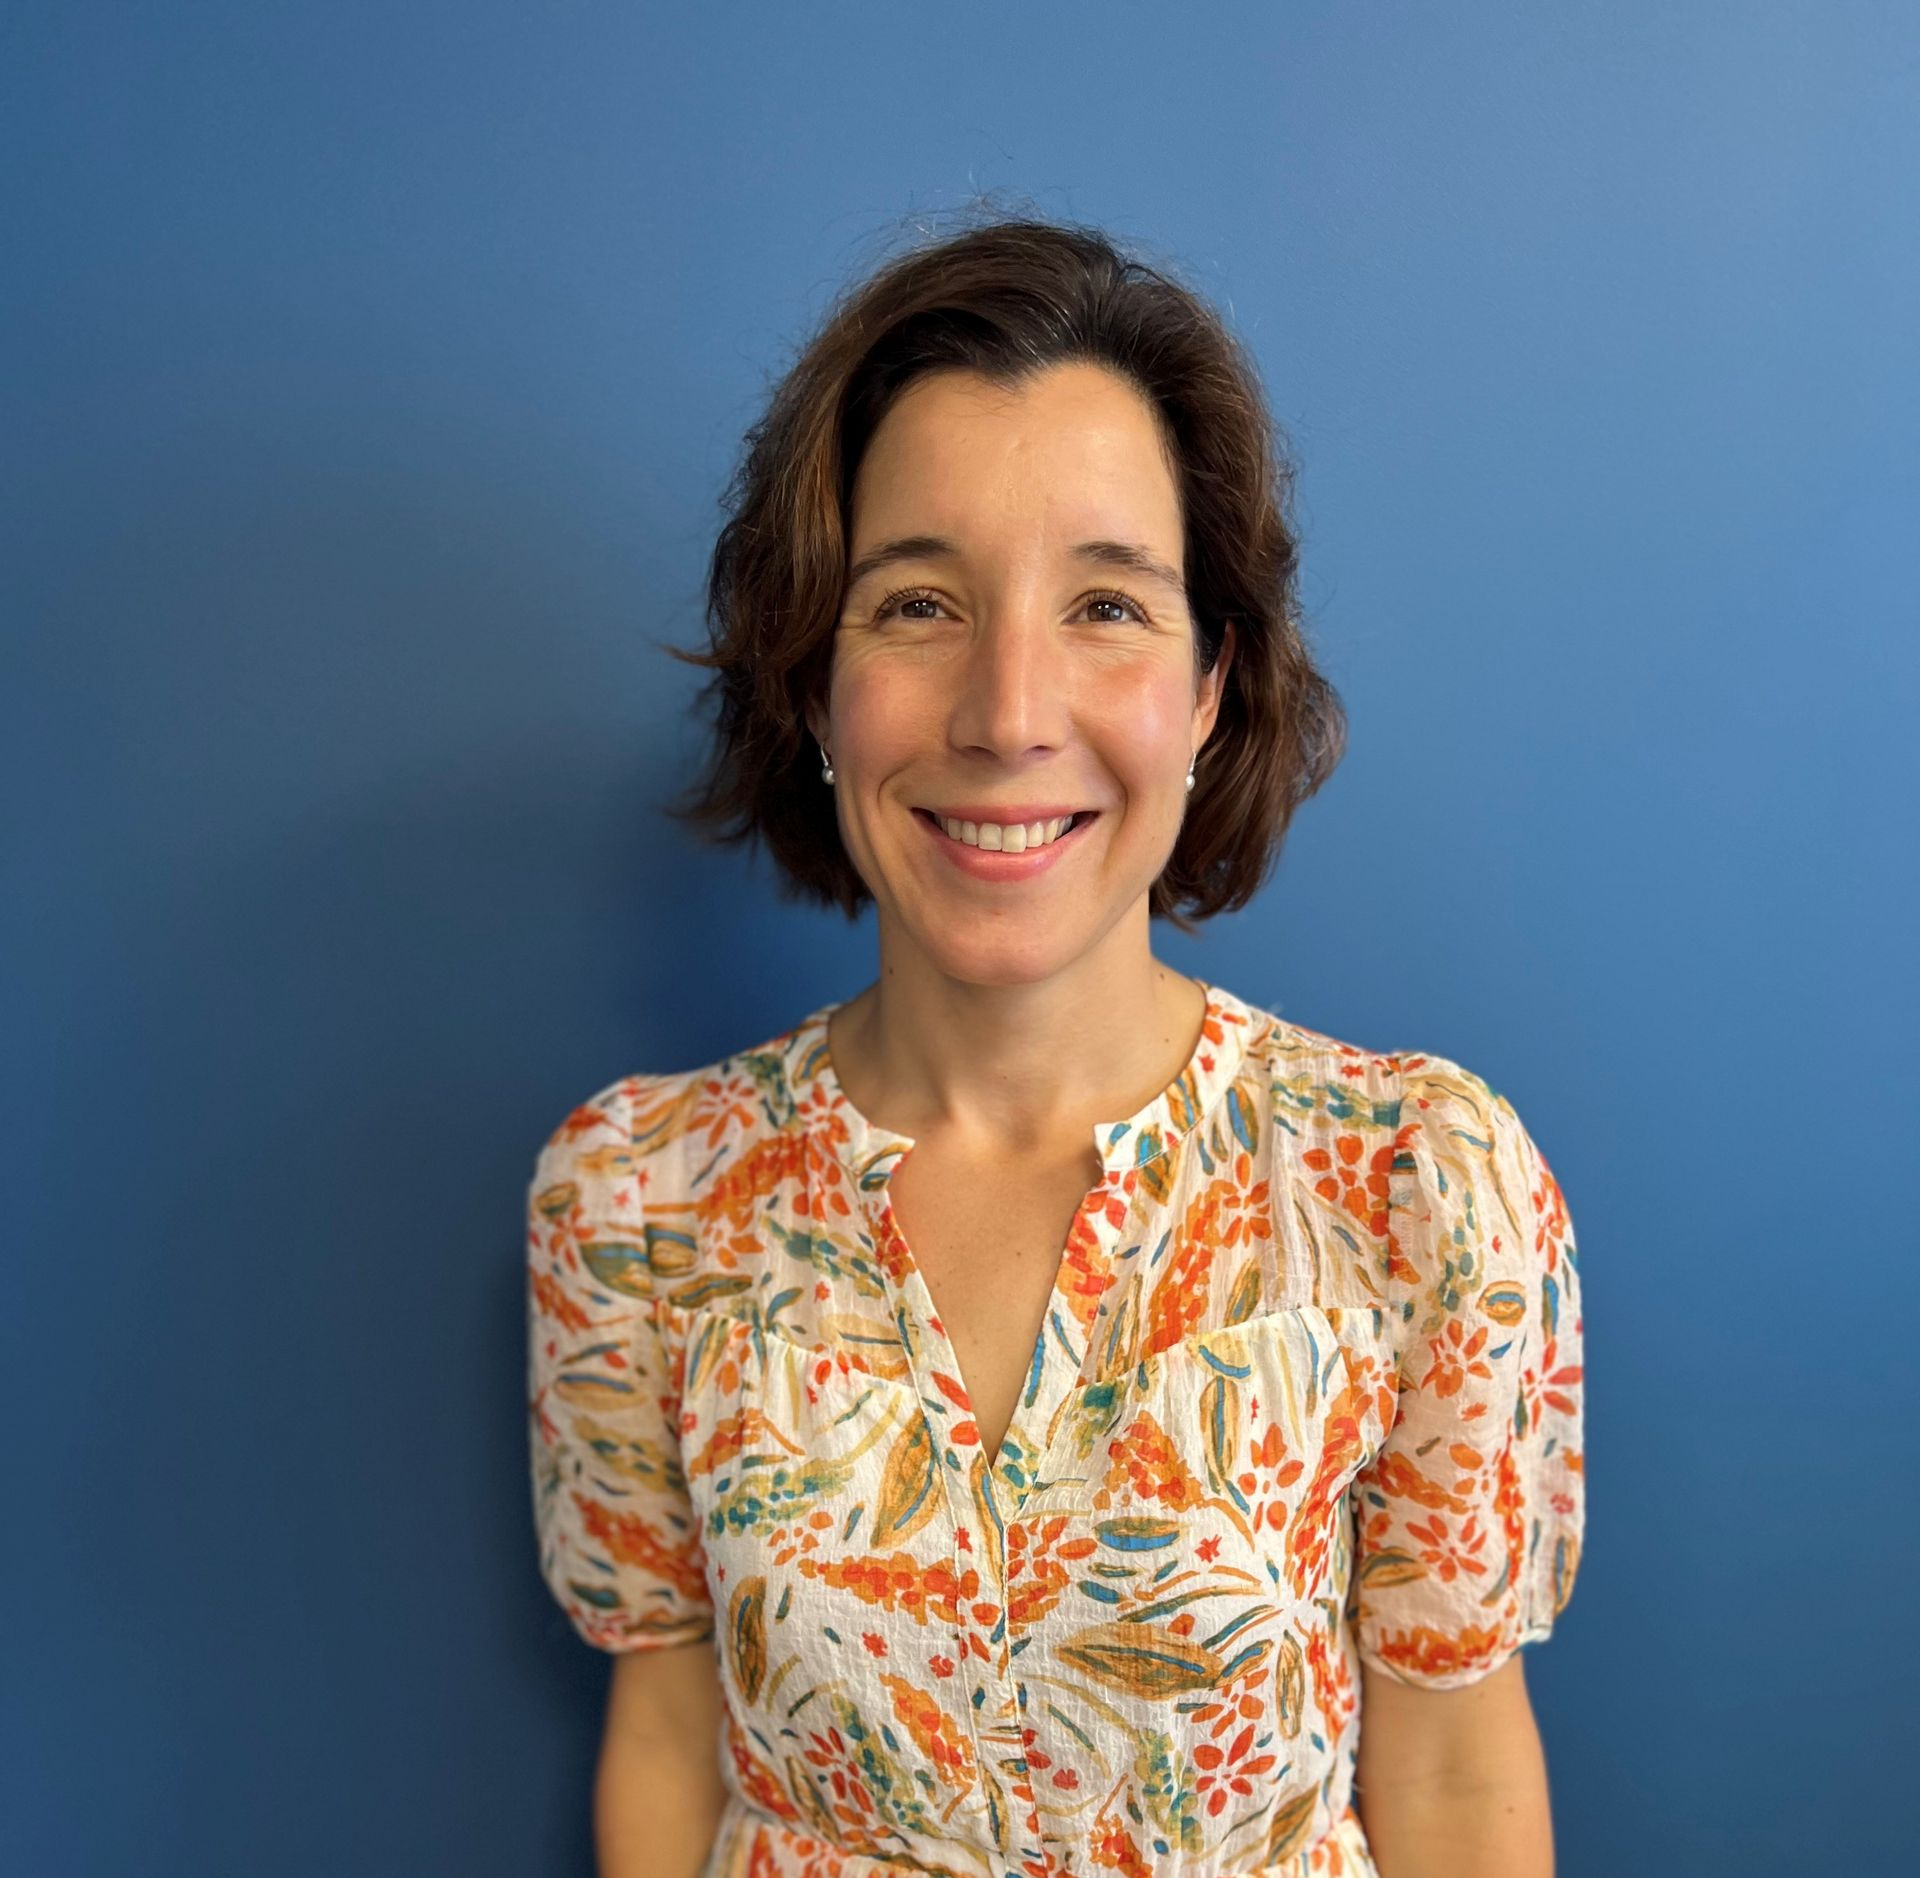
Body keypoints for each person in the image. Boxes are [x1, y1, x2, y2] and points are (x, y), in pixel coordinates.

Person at [526, 212, 1585, 1878]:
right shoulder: (635, 1208)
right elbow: (666, 1747)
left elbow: (1455, 1783)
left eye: (1105, 602)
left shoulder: (1419, 1192)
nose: (1009, 711)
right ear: (814, 684)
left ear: (1211, 682)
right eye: (919, 602)